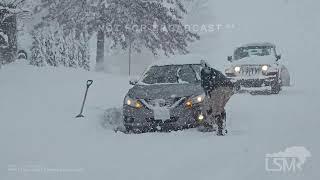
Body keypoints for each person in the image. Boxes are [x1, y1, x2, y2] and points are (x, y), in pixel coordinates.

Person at [199, 60, 234, 136]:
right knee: (213, 106)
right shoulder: (207, 72)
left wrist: (209, 93)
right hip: (225, 88)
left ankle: (220, 128)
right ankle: (216, 124)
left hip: (221, 88)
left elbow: (208, 85)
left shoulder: (207, 71)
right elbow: (206, 86)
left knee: (216, 108)